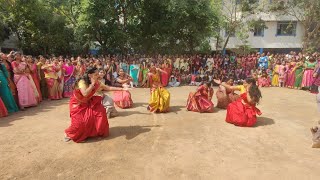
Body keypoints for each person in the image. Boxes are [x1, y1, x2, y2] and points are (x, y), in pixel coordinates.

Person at [64, 67, 125, 143]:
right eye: (96, 74)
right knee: (79, 123)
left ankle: (94, 133)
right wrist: (92, 84)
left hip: (87, 103)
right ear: (90, 75)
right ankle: (69, 134)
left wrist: (122, 89)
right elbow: (85, 93)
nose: (98, 76)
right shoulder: (82, 82)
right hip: (77, 104)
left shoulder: (97, 83)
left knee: (100, 112)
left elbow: (108, 87)